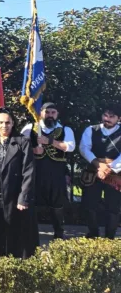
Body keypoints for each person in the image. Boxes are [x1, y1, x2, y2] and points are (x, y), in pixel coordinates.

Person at [0, 108, 34, 257]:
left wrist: (23, 198)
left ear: (13, 123)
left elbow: (28, 172)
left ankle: (13, 268)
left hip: (14, 197)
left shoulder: (23, 142)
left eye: (8, 122)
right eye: (1, 122)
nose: (5, 125)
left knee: (14, 234)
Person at [21, 102, 75, 240]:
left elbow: (70, 147)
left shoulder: (65, 130)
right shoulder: (30, 127)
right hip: (35, 170)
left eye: (53, 112)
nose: (50, 115)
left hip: (56, 171)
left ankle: (58, 232)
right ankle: (29, 231)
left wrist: (49, 141)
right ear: (41, 113)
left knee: (57, 203)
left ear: (57, 114)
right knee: (32, 200)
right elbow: (20, 147)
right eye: (47, 112)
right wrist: (33, 150)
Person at [79, 105, 121, 238]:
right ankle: (93, 235)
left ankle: (109, 238)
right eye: (105, 115)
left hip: (115, 174)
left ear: (119, 119)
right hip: (93, 171)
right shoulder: (91, 129)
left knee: (113, 207)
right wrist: (99, 166)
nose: (107, 119)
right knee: (90, 204)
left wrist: (110, 168)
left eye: (111, 117)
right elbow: (84, 149)